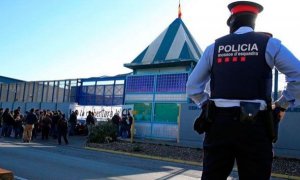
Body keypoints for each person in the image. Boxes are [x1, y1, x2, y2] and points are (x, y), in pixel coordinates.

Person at [186, 1, 300, 179]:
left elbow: (192, 87)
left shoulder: (214, 48)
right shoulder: (269, 44)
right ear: (254, 21)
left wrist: (205, 104)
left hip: (219, 125)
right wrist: (282, 104)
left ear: (232, 21)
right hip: (255, 125)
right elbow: (298, 75)